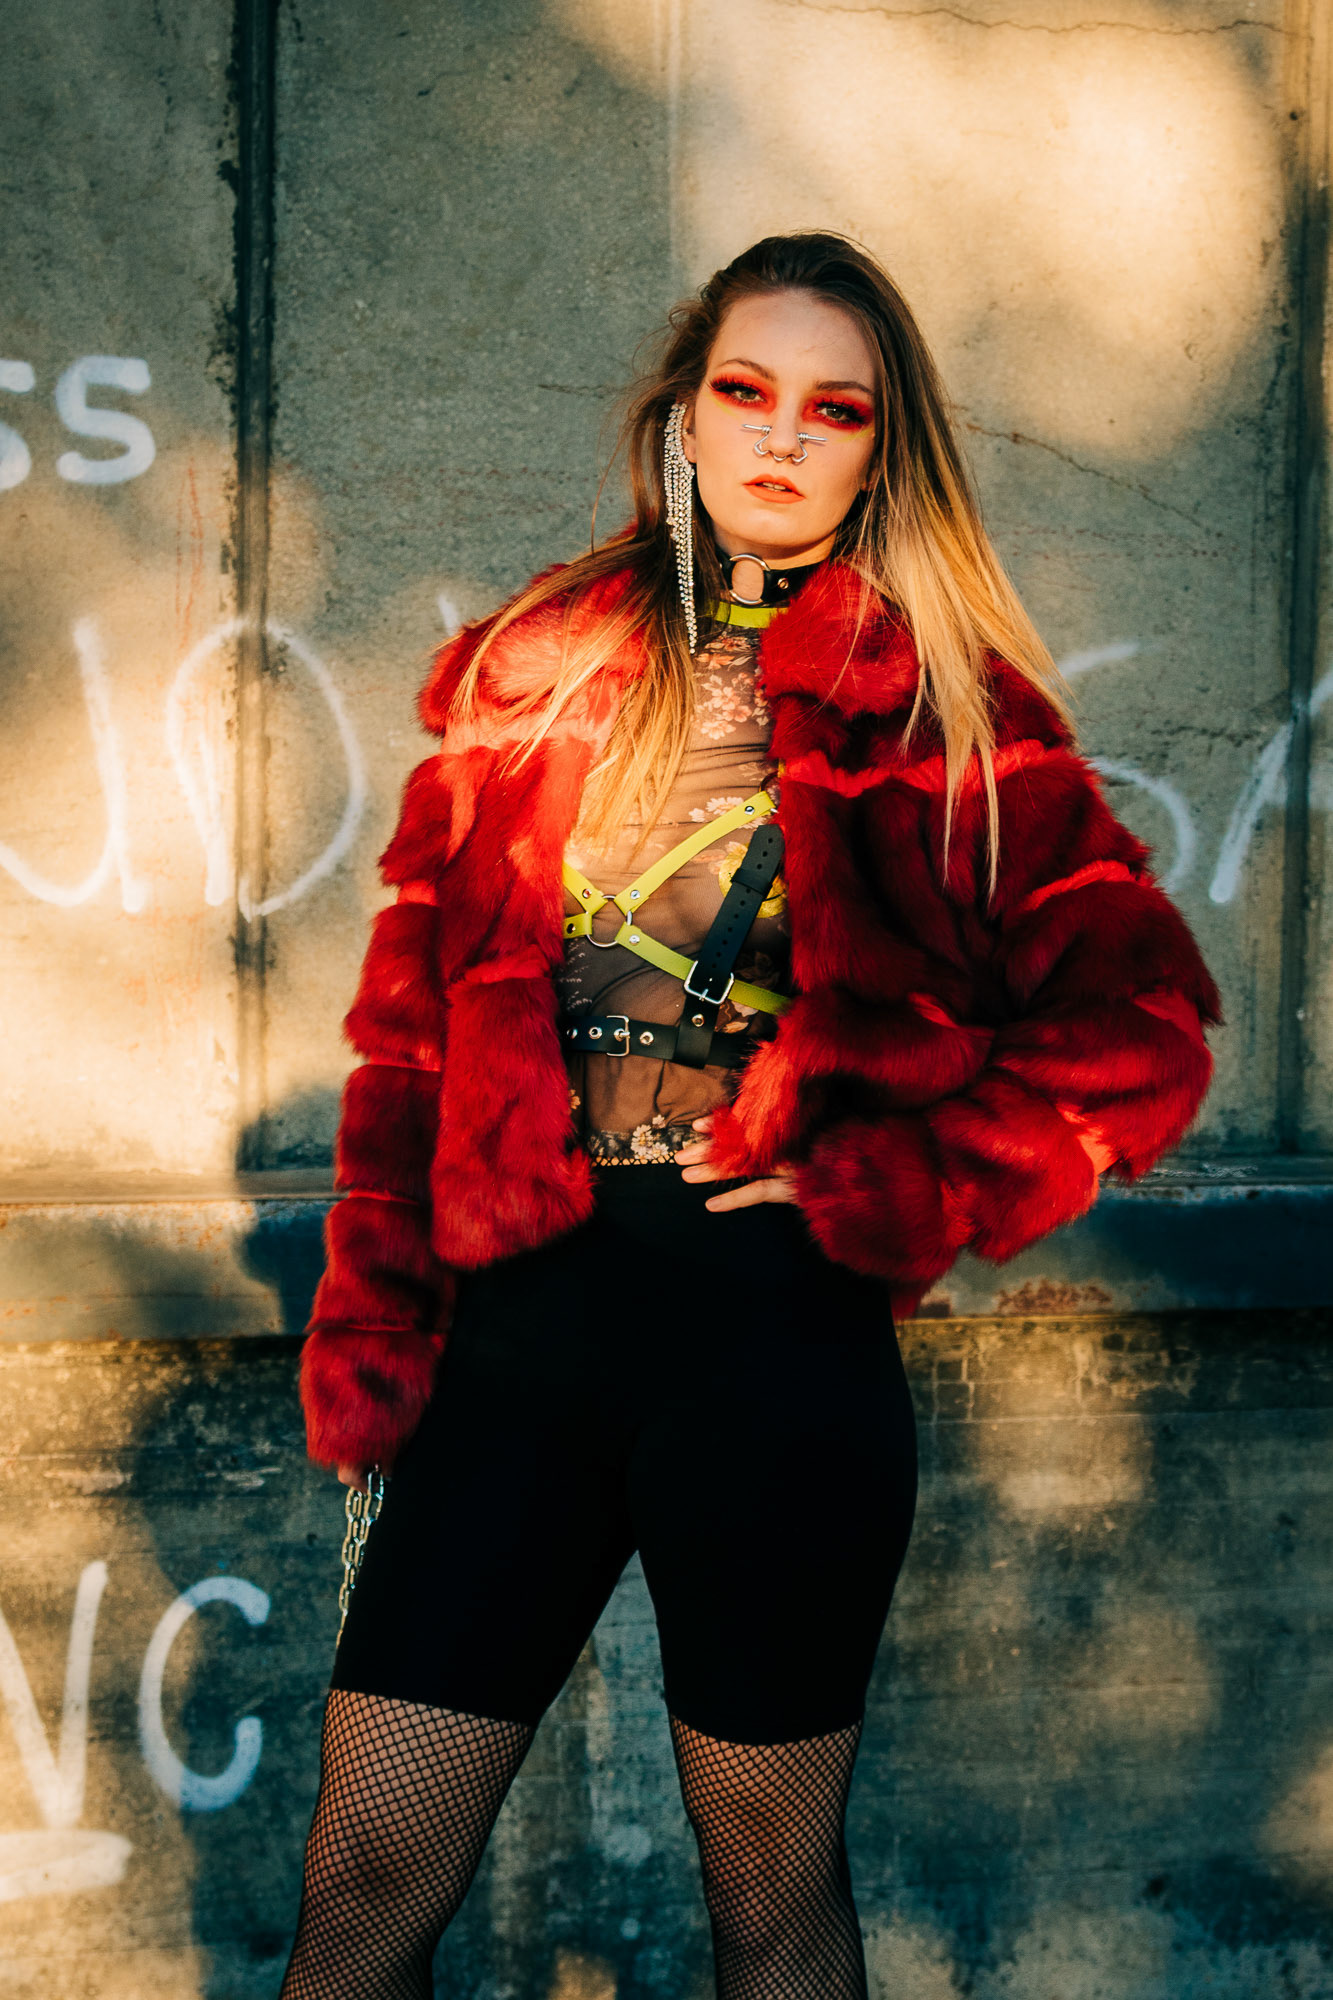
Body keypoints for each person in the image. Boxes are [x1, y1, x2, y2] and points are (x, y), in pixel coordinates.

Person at [279, 232, 1219, 1999]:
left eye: (832, 408)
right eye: (745, 390)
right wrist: (383, 1338)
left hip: (772, 1358)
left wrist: (890, 1182)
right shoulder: (531, 674)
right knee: (362, 1882)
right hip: (519, 1343)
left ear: (881, 446)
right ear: (683, 416)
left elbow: (1143, 1028)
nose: (781, 438)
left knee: (768, 1905)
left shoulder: (949, 711)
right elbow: (411, 1052)